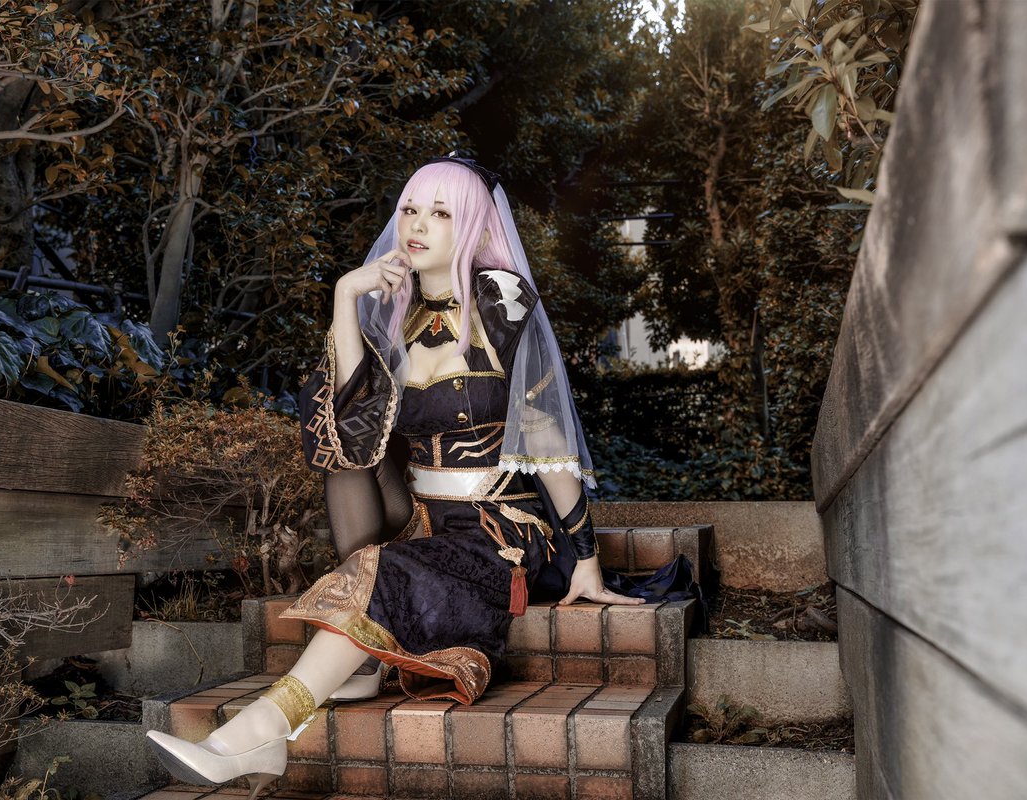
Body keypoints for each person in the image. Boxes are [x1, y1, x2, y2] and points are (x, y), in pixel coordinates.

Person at [145, 155, 698, 798]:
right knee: (347, 449)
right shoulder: (393, 311)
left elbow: (546, 436)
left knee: (388, 562)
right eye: (410, 209)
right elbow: (348, 420)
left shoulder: (501, 300)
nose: (418, 224)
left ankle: (263, 727)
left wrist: (586, 554)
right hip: (419, 517)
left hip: (501, 526)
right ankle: (355, 655)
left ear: (473, 226)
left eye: (441, 213)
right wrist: (345, 295)